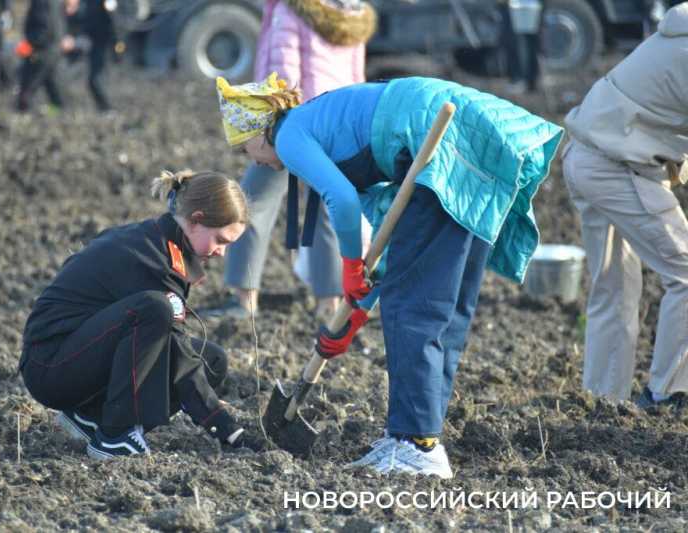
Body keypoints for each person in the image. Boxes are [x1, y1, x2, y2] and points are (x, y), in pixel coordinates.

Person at [216, 73, 562, 477]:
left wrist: (349, 269)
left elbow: (341, 200)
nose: (254, 160)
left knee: (414, 304)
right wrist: (358, 308)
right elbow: (392, 241)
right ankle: (419, 435)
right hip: (468, 139)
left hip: (439, 136)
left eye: (246, 149)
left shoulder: (289, 134)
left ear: (260, 130)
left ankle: (416, 443)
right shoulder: (324, 124)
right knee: (443, 304)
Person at [19, 170, 253, 459]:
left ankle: (90, 417)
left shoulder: (162, 242)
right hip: (50, 366)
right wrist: (222, 424)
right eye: (221, 240)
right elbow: (177, 349)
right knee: (157, 309)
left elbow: (173, 348)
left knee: (211, 360)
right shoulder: (150, 256)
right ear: (196, 220)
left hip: (81, 352)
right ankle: (115, 435)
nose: (222, 253)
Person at [204, 0, 376, 320]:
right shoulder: (354, 15)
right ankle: (329, 303)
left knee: (253, 201)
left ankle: (244, 298)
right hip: (336, 124)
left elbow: (283, 76)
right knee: (327, 210)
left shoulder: (291, 10)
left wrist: (276, 131)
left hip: (293, 124)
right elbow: (358, 79)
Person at [561, 3, 688, 408]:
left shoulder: (677, 36)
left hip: (586, 155)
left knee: (613, 286)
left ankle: (603, 400)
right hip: (614, 165)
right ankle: (668, 392)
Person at [16, 0, 75, 112]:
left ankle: (26, 117)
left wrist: (33, 43)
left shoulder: (44, 3)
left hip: (43, 51)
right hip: (52, 50)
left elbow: (45, 26)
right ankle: (54, 117)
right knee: (56, 93)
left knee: (27, 92)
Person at [499, 0, 542, 95]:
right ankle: (531, 80)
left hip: (517, 5)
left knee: (518, 41)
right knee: (528, 39)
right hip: (529, 5)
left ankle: (521, 78)